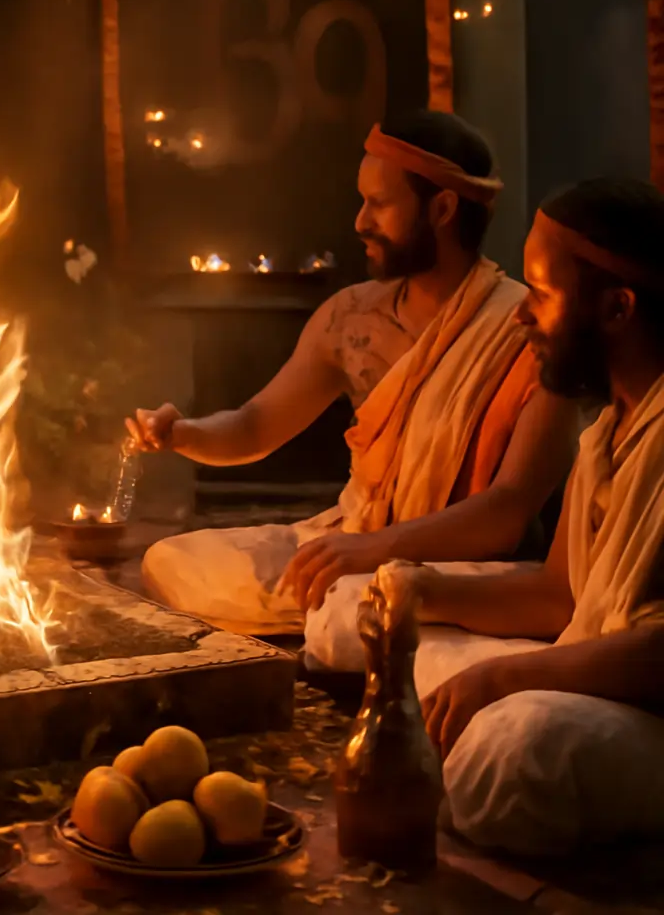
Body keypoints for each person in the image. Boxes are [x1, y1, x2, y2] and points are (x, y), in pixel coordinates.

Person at [129, 111, 579, 638]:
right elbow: (255, 426)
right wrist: (182, 432)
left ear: (442, 208)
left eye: (379, 204)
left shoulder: (531, 330)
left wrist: (373, 551)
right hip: (352, 538)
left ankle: (362, 629)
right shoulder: (350, 317)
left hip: (459, 567)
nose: (360, 222)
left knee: (357, 605)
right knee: (170, 561)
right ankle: (352, 628)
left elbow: (506, 512)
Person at [331, 179, 664, 856]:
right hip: (583, 671)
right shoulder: (607, 429)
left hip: (644, 709)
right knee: (352, 610)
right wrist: (424, 590)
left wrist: (507, 676)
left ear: (617, 307)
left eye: (541, 294)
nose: (521, 317)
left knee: (512, 748)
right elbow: (556, 596)